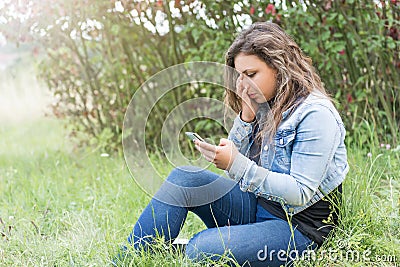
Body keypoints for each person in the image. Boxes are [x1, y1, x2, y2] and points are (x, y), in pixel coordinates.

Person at [126, 22, 348, 267]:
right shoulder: (267, 101)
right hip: (259, 206)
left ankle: (187, 248)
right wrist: (246, 117)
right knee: (184, 177)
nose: (242, 85)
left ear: (279, 67)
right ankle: (127, 261)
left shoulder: (315, 114)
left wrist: (236, 163)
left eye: (251, 75)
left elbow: (300, 192)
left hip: (298, 228)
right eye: (239, 77)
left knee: (200, 249)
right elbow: (237, 172)